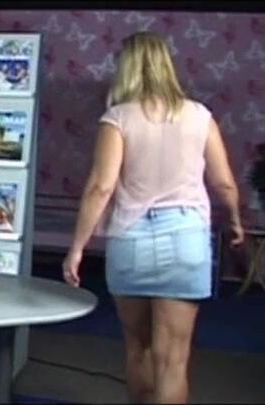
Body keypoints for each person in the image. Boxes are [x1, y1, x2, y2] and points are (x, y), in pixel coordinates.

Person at [62, 31, 244, 404]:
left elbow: (100, 188)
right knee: (173, 362)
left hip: (131, 241)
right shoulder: (200, 116)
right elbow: (224, 183)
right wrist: (236, 220)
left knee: (138, 349)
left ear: (126, 68)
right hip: (186, 239)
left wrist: (77, 248)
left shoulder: (117, 119)